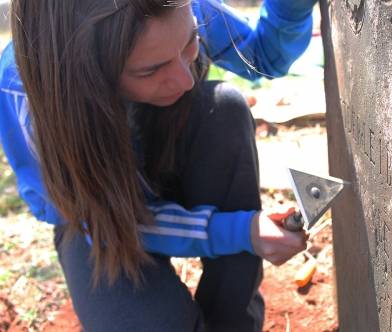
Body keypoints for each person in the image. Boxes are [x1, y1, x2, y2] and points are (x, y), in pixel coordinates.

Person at [0, 0, 317, 331]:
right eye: (151, 70)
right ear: (90, 70)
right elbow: (107, 223)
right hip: (94, 215)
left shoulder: (172, 8)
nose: (185, 81)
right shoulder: (30, 92)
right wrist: (239, 231)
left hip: (166, 156)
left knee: (223, 108)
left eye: (191, 41)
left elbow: (261, 56)